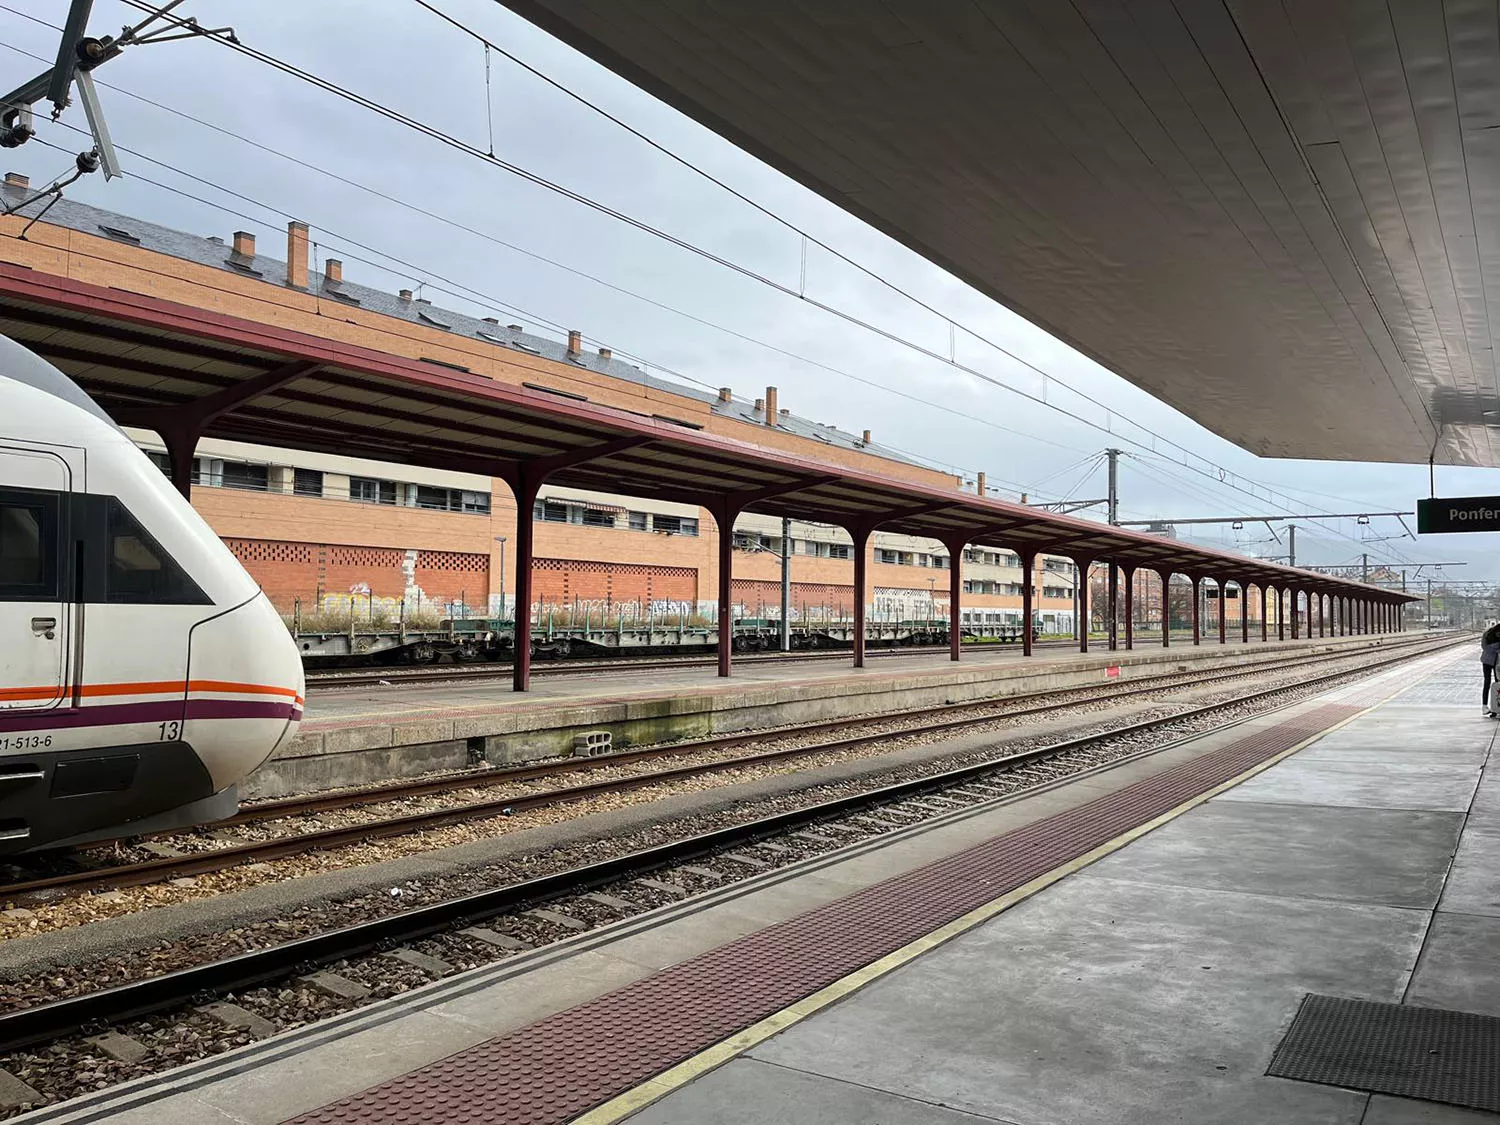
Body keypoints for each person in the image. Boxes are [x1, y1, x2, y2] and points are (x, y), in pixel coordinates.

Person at [1483, 623, 1500, 717]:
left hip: (1487, 660)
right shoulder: (1490, 635)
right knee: (1497, 683)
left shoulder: (1487, 634)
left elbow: (1484, 647)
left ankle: (1486, 707)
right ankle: (1495, 707)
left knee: (1488, 683)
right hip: (1495, 661)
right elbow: (1487, 648)